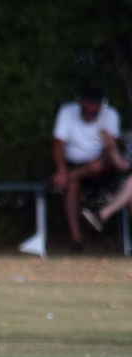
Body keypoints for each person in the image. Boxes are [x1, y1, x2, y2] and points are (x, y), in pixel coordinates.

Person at [51, 84, 122, 252]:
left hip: (102, 168)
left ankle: (61, 179)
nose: (90, 114)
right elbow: (58, 144)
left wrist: (102, 158)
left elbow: (112, 150)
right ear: (81, 103)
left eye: (93, 112)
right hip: (74, 165)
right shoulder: (67, 112)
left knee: (95, 167)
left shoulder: (111, 115)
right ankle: (77, 242)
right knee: (72, 184)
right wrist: (61, 168)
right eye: (86, 111)